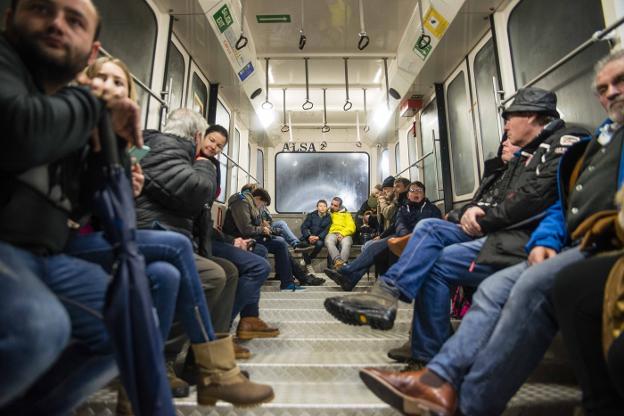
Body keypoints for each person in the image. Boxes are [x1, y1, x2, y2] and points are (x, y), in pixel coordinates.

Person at [357, 52, 623, 416]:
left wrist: (489, 218)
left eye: (510, 117)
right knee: (430, 244)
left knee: (435, 236)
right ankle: (431, 367)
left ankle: (432, 363)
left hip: (524, 236)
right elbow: (562, 202)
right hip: (536, 235)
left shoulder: (568, 141)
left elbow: (538, 198)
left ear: (530, 116)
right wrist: (485, 194)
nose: (506, 126)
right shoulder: (579, 144)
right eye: (603, 88)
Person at [0, 0, 144, 412]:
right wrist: (95, 104)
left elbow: (79, 205)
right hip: (13, 247)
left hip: (46, 251)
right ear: (10, 19)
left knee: (131, 324)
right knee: (38, 326)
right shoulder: (15, 72)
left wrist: (114, 160)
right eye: (42, 9)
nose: (57, 24)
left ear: (91, 50)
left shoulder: (71, 109)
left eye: (74, 20)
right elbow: (18, 132)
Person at [324, 181, 441, 291]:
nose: (415, 193)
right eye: (412, 191)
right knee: (373, 247)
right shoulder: (404, 209)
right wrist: (396, 236)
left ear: (424, 194)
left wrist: (407, 237)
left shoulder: (431, 209)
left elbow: (428, 226)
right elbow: (398, 224)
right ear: (408, 194)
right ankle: (350, 280)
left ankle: (346, 271)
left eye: (419, 191)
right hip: (401, 238)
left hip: (421, 241)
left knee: (378, 246)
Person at [300, 199, 332, 273]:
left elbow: (327, 230)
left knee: (319, 244)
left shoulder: (329, 217)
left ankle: (309, 259)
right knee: (303, 244)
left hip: (320, 238)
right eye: (320, 206)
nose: (322, 208)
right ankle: (308, 265)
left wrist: (318, 237)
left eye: (324, 206)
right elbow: (304, 227)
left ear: (327, 207)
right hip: (310, 237)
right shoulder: (311, 215)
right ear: (317, 207)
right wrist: (308, 236)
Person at [325, 196, 356, 270]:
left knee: (347, 243)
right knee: (329, 241)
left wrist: (342, 233)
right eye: (331, 204)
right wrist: (326, 210)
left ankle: (340, 267)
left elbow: (352, 226)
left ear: (340, 206)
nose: (332, 206)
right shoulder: (328, 214)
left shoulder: (346, 214)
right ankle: (339, 262)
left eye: (335, 205)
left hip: (344, 234)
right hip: (332, 233)